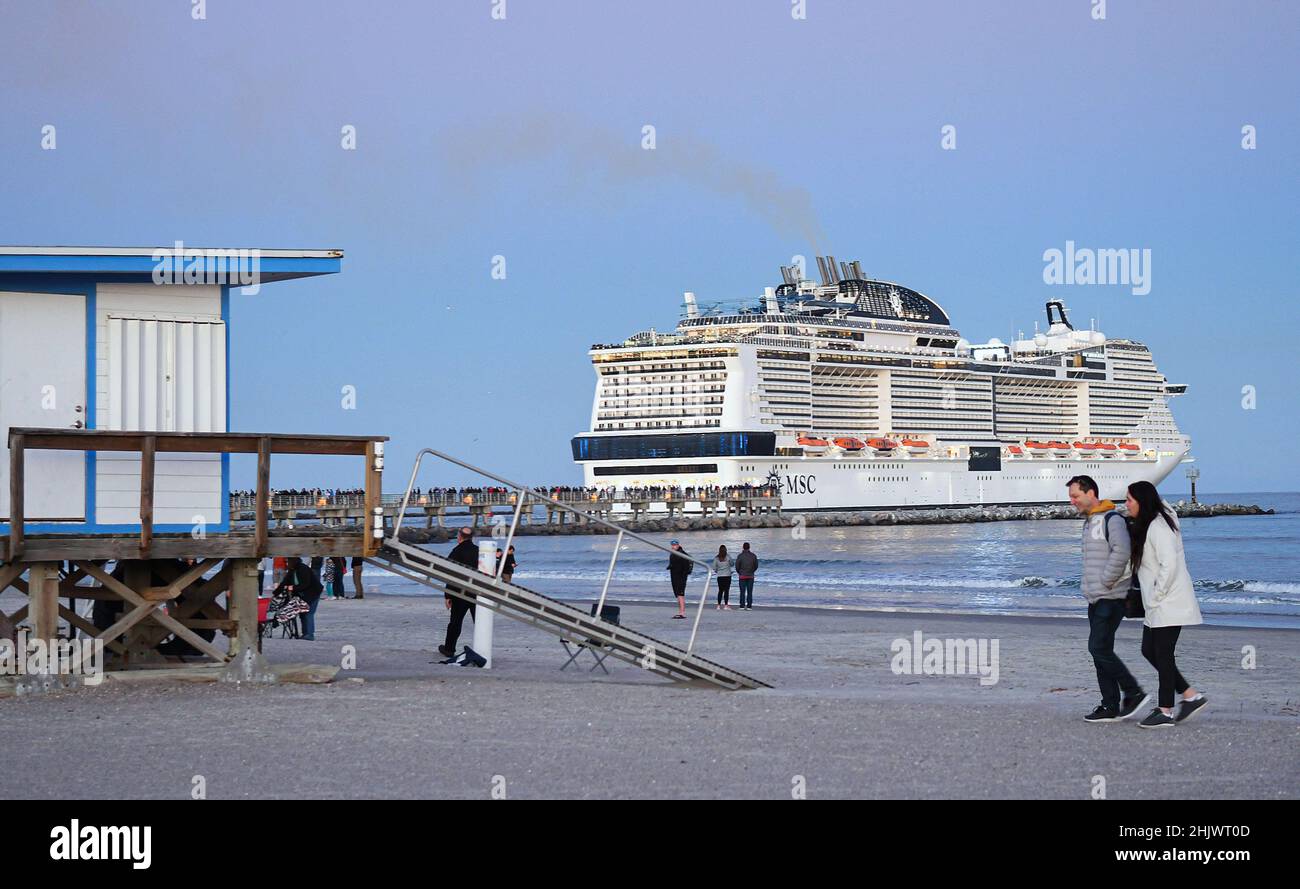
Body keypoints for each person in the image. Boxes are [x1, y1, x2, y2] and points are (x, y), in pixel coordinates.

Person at [1068, 475, 1149, 723]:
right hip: (1095, 597)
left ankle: (1133, 692)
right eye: (1071, 497)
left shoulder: (1112, 519)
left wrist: (1105, 581)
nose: (1073, 501)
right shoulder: (1090, 520)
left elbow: (1122, 551)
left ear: (1091, 493)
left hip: (1111, 596)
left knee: (1098, 647)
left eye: (1076, 496)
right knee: (1100, 651)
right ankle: (1110, 705)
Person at [1126, 481, 1207, 728]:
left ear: (1142, 501)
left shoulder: (1158, 527)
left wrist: (1156, 596)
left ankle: (1166, 710)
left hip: (1167, 601)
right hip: (1159, 603)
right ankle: (1191, 696)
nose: (1126, 504)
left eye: (1130, 499)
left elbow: (1169, 565)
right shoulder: (1152, 523)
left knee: (1162, 654)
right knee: (1149, 650)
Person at [439, 528, 479, 658]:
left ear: (460, 537)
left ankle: (449, 649)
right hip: (477, 591)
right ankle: (482, 649)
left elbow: (450, 574)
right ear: (471, 537)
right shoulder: (479, 551)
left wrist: (447, 595)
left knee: (455, 622)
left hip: (459, 592)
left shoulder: (456, 551)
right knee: (479, 622)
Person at [273, 557, 323, 641]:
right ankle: (305, 633)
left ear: (294, 561)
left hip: (313, 593)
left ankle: (309, 634)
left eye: (288, 562)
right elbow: (284, 583)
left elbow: (305, 584)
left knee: (308, 613)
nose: (287, 564)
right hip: (303, 595)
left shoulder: (303, 569)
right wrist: (275, 594)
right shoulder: (292, 571)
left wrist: (293, 587)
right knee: (302, 614)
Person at [666, 540, 692, 619]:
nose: (673, 546)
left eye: (675, 545)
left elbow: (689, 561)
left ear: (678, 545)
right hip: (674, 576)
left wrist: (686, 572)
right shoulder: (673, 553)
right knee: (678, 594)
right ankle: (680, 612)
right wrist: (670, 566)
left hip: (681, 577)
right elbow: (673, 563)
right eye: (672, 545)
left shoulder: (682, 553)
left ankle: (682, 613)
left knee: (680, 594)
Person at [735, 542, 758, 610]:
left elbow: (737, 566)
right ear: (749, 547)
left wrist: (740, 572)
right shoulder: (753, 556)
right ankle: (749, 606)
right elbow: (756, 566)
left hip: (742, 576)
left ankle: (742, 606)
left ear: (743, 547)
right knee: (750, 592)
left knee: (742, 592)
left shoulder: (740, 556)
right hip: (750, 576)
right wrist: (752, 571)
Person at [713, 545, 735, 610]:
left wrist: (718, 571)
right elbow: (732, 564)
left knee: (720, 590)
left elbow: (714, 567)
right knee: (726, 591)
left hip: (720, 576)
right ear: (725, 550)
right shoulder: (728, 557)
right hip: (727, 576)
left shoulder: (716, 558)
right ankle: (726, 605)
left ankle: (718, 605)